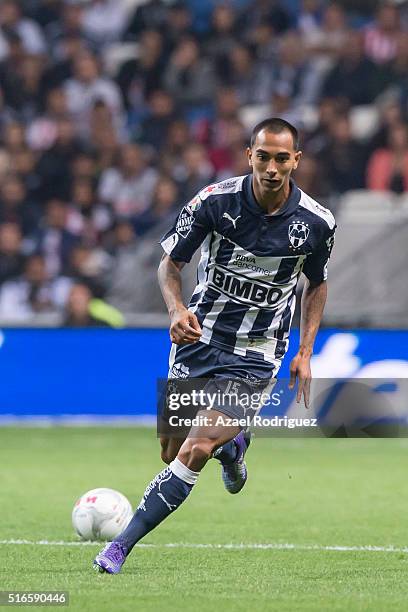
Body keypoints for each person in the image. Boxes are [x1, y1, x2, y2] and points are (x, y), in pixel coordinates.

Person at [93, 118, 336, 574]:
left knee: (196, 448)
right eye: (263, 156)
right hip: (198, 339)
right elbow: (170, 264)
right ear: (249, 156)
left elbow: (317, 285)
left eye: (281, 158)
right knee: (170, 449)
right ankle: (236, 446)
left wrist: (304, 351)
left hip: (256, 353)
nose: (271, 167)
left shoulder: (317, 223)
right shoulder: (214, 202)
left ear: (296, 161)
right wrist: (175, 310)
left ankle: (119, 548)